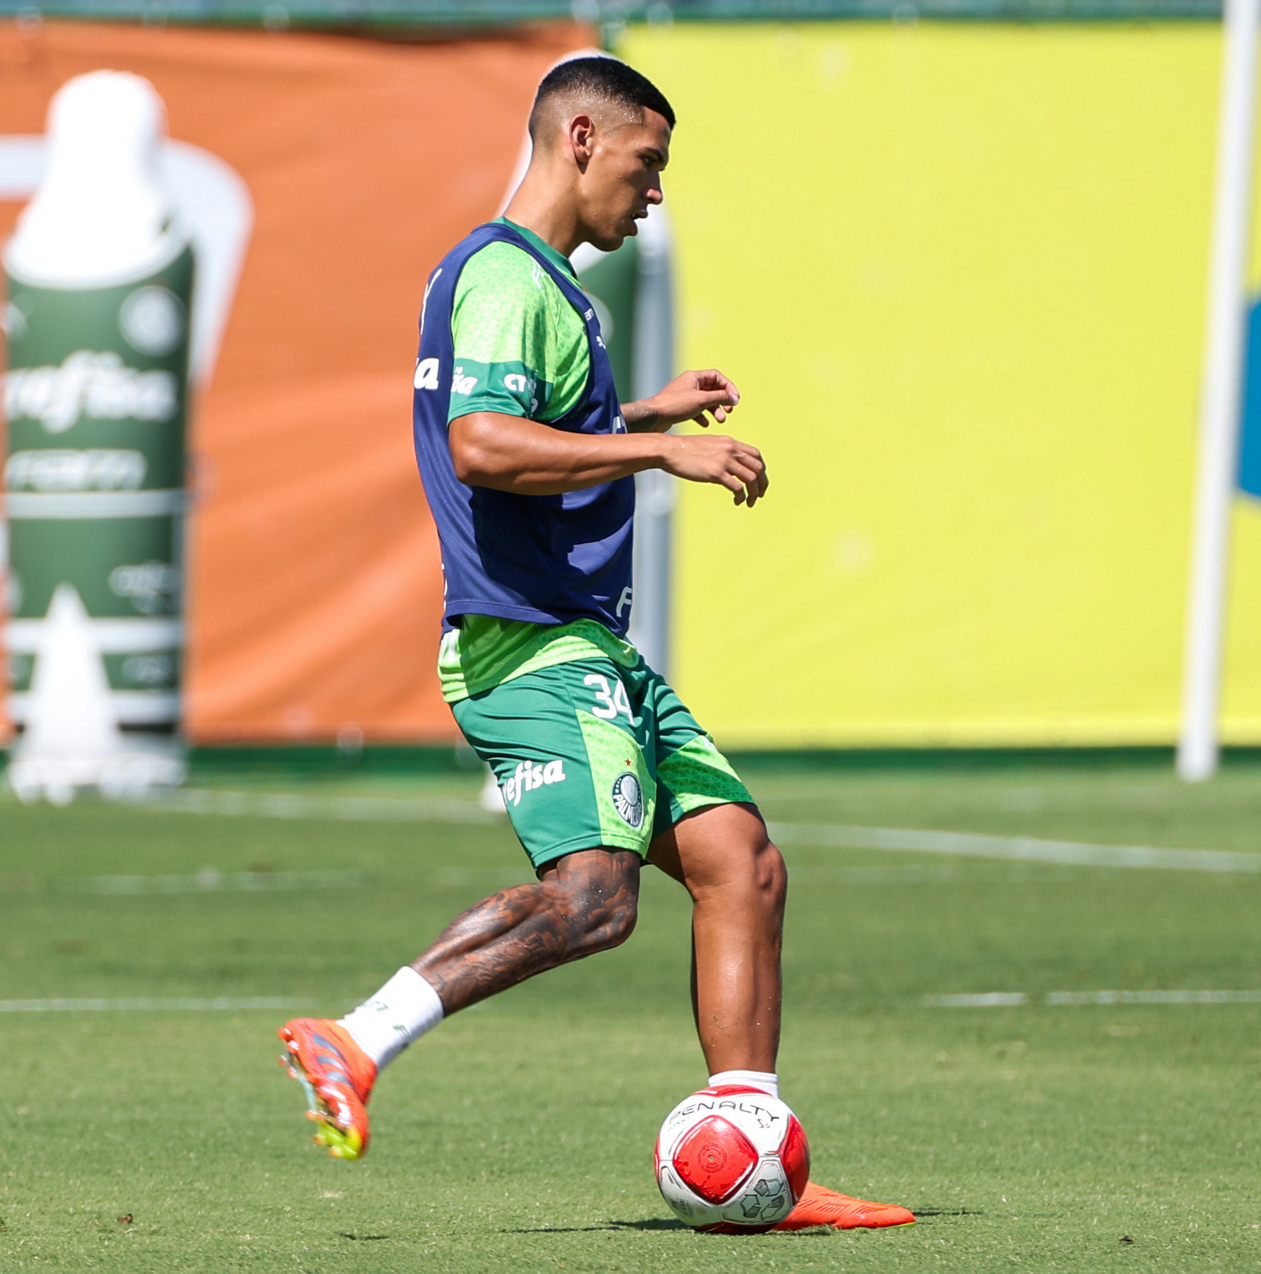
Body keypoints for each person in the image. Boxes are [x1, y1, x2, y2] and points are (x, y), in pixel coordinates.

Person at [278, 55, 913, 1233]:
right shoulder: (503, 274)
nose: (654, 191)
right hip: (529, 645)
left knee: (739, 860)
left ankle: (756, 1147)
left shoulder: (543, 287)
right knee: (593, 898)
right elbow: (481, 443)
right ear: (580, 138)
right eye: (646, 161)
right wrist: (658, 450)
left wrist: (637, 413)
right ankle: (355, 1038)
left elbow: (534, 424)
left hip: (588, 645)